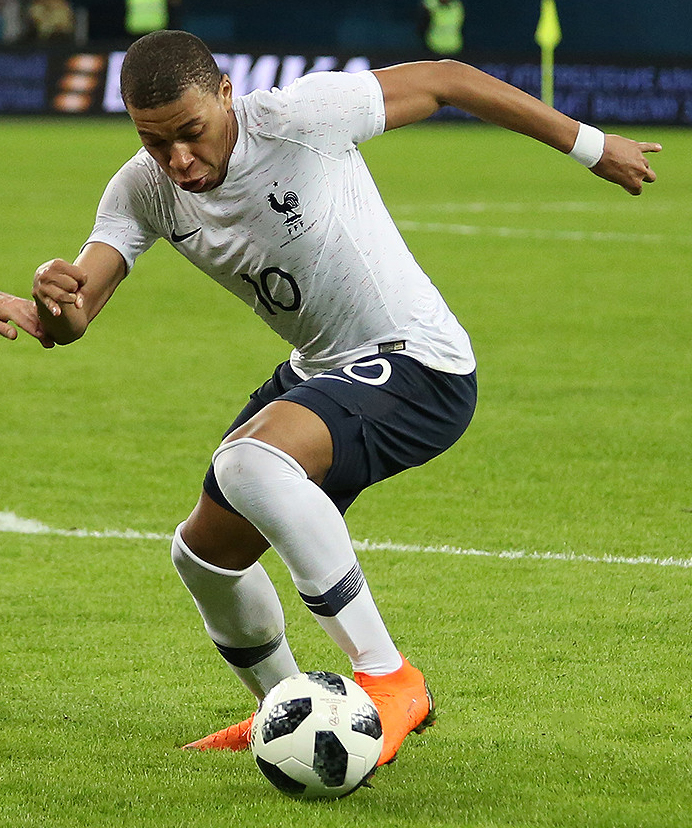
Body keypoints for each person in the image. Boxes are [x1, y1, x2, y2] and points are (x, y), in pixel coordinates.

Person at [29, 30, 660, 768]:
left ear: (227, 96)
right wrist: (51, 304)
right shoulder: (141, 187)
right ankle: (285, 708)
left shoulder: (303, 116)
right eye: (154, 139)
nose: (177, 160)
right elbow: (78, 311)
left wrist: (589, 144)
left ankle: (390, 678)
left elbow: (447, 78)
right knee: (204, 558)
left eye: (191, 133)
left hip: (418, 361)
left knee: (250, 464)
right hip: (323, 369)